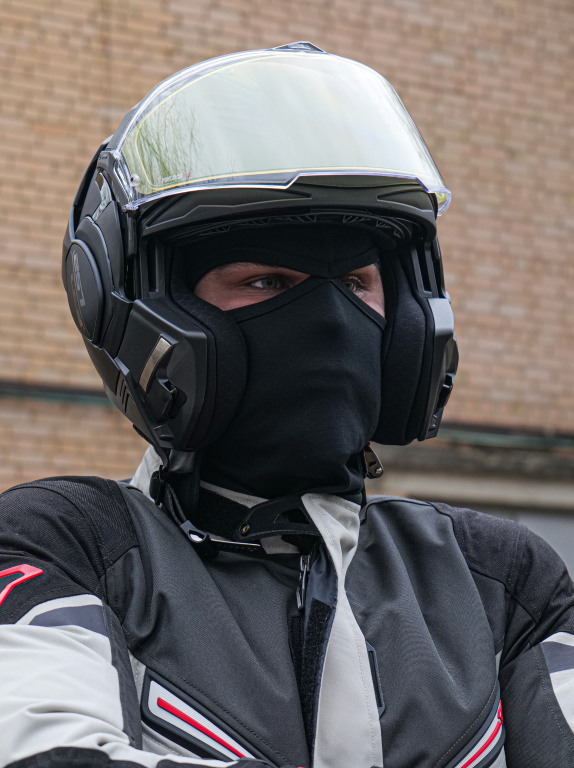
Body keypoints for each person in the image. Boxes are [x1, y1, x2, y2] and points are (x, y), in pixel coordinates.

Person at [0, 41, 572, 768]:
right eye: (268, 282)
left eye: (357, 284)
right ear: (150, 314)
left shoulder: (502, 581)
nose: (330, 323)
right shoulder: (67, 546)